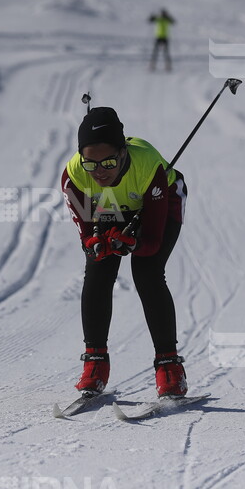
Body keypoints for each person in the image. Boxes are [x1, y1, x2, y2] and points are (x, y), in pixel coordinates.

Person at [60, 106, 189, 398]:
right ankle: (95, 363)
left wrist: (132, 242)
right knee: (98, 267)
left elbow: (152, 241)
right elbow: (86, 230)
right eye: (90, 164)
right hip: (112, 205)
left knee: (147, 271)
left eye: (107, 162)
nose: (99, 172)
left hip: (159, 199)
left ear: (123, 153)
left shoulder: (147, 165)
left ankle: (169, 365)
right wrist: (95, 243)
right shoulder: (74, 176)